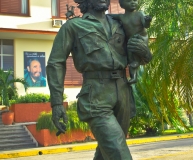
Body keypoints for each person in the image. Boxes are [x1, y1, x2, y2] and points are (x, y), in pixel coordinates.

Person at [46, 0, 152, 159]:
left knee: (107, 152)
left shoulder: (121, 23)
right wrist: (56, 102)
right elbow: (56, 63)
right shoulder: (73, 26)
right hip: (96, 96)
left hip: (123, 93)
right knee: (118, 152)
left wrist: (146, 53)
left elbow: (139, 54)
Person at [109, 0, 152, 84]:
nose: (133, 2)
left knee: (136, 57)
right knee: (131, 60)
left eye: (135, 0)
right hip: (130, 40)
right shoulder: (122, 17)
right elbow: (109, 16)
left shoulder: (140, 14)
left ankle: (137, 64)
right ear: (121, 4)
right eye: (128, 1)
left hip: (141, 38)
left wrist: (147, 21)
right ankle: (133, 77)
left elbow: (145, 25)